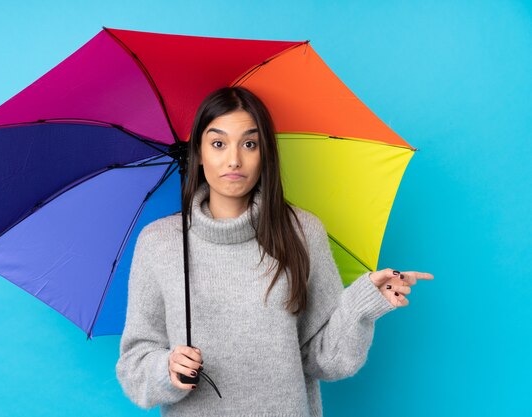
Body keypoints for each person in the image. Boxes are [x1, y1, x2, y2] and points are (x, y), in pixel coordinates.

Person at [116, 86, 433, 416]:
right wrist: (166, 369)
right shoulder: (159, 243)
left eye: (249, 143)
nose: (234, 159)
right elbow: (134, 364)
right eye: (218, 143)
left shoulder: (301, 231)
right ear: (199, 152)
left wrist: (363, 303)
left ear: (264, 152)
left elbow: (324, 359)